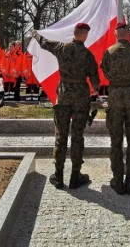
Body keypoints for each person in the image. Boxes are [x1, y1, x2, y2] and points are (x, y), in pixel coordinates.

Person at [32, 23, 100, 190]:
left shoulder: (61, 48)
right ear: (84, 35)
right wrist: (95, 90)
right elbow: (95, 79)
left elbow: (44, 43)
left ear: (74, 33)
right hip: (81, 96)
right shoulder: (87, 54)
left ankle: (58, 175)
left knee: (60, 135)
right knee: (77, 135)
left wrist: (35, 34)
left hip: (63, 95)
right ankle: (75, 176)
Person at [100, 21, 130, 195]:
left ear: (115, 34)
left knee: (116, 140)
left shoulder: (109, 52)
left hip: (115, 97)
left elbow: (104, 72)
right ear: (127, 34)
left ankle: (118, 180)